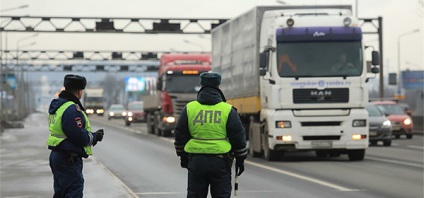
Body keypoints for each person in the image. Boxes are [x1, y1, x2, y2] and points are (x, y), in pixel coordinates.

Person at [174, 72, 247, 198]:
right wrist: (240, 160)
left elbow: (180, 133)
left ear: (201, 85)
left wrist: (183, 156)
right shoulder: (227, 109)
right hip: (220, 162)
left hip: (196, 161)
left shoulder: (189, 108)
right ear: (218, 86)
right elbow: (238, 136)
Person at [46, 74, 105, 198]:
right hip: (68, 158)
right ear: (79, 92)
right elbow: (78, 136)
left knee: (61, 192)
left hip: (57, 155)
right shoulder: (71, 109)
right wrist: (95, 137)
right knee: (74, 190)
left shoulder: (58, 106)